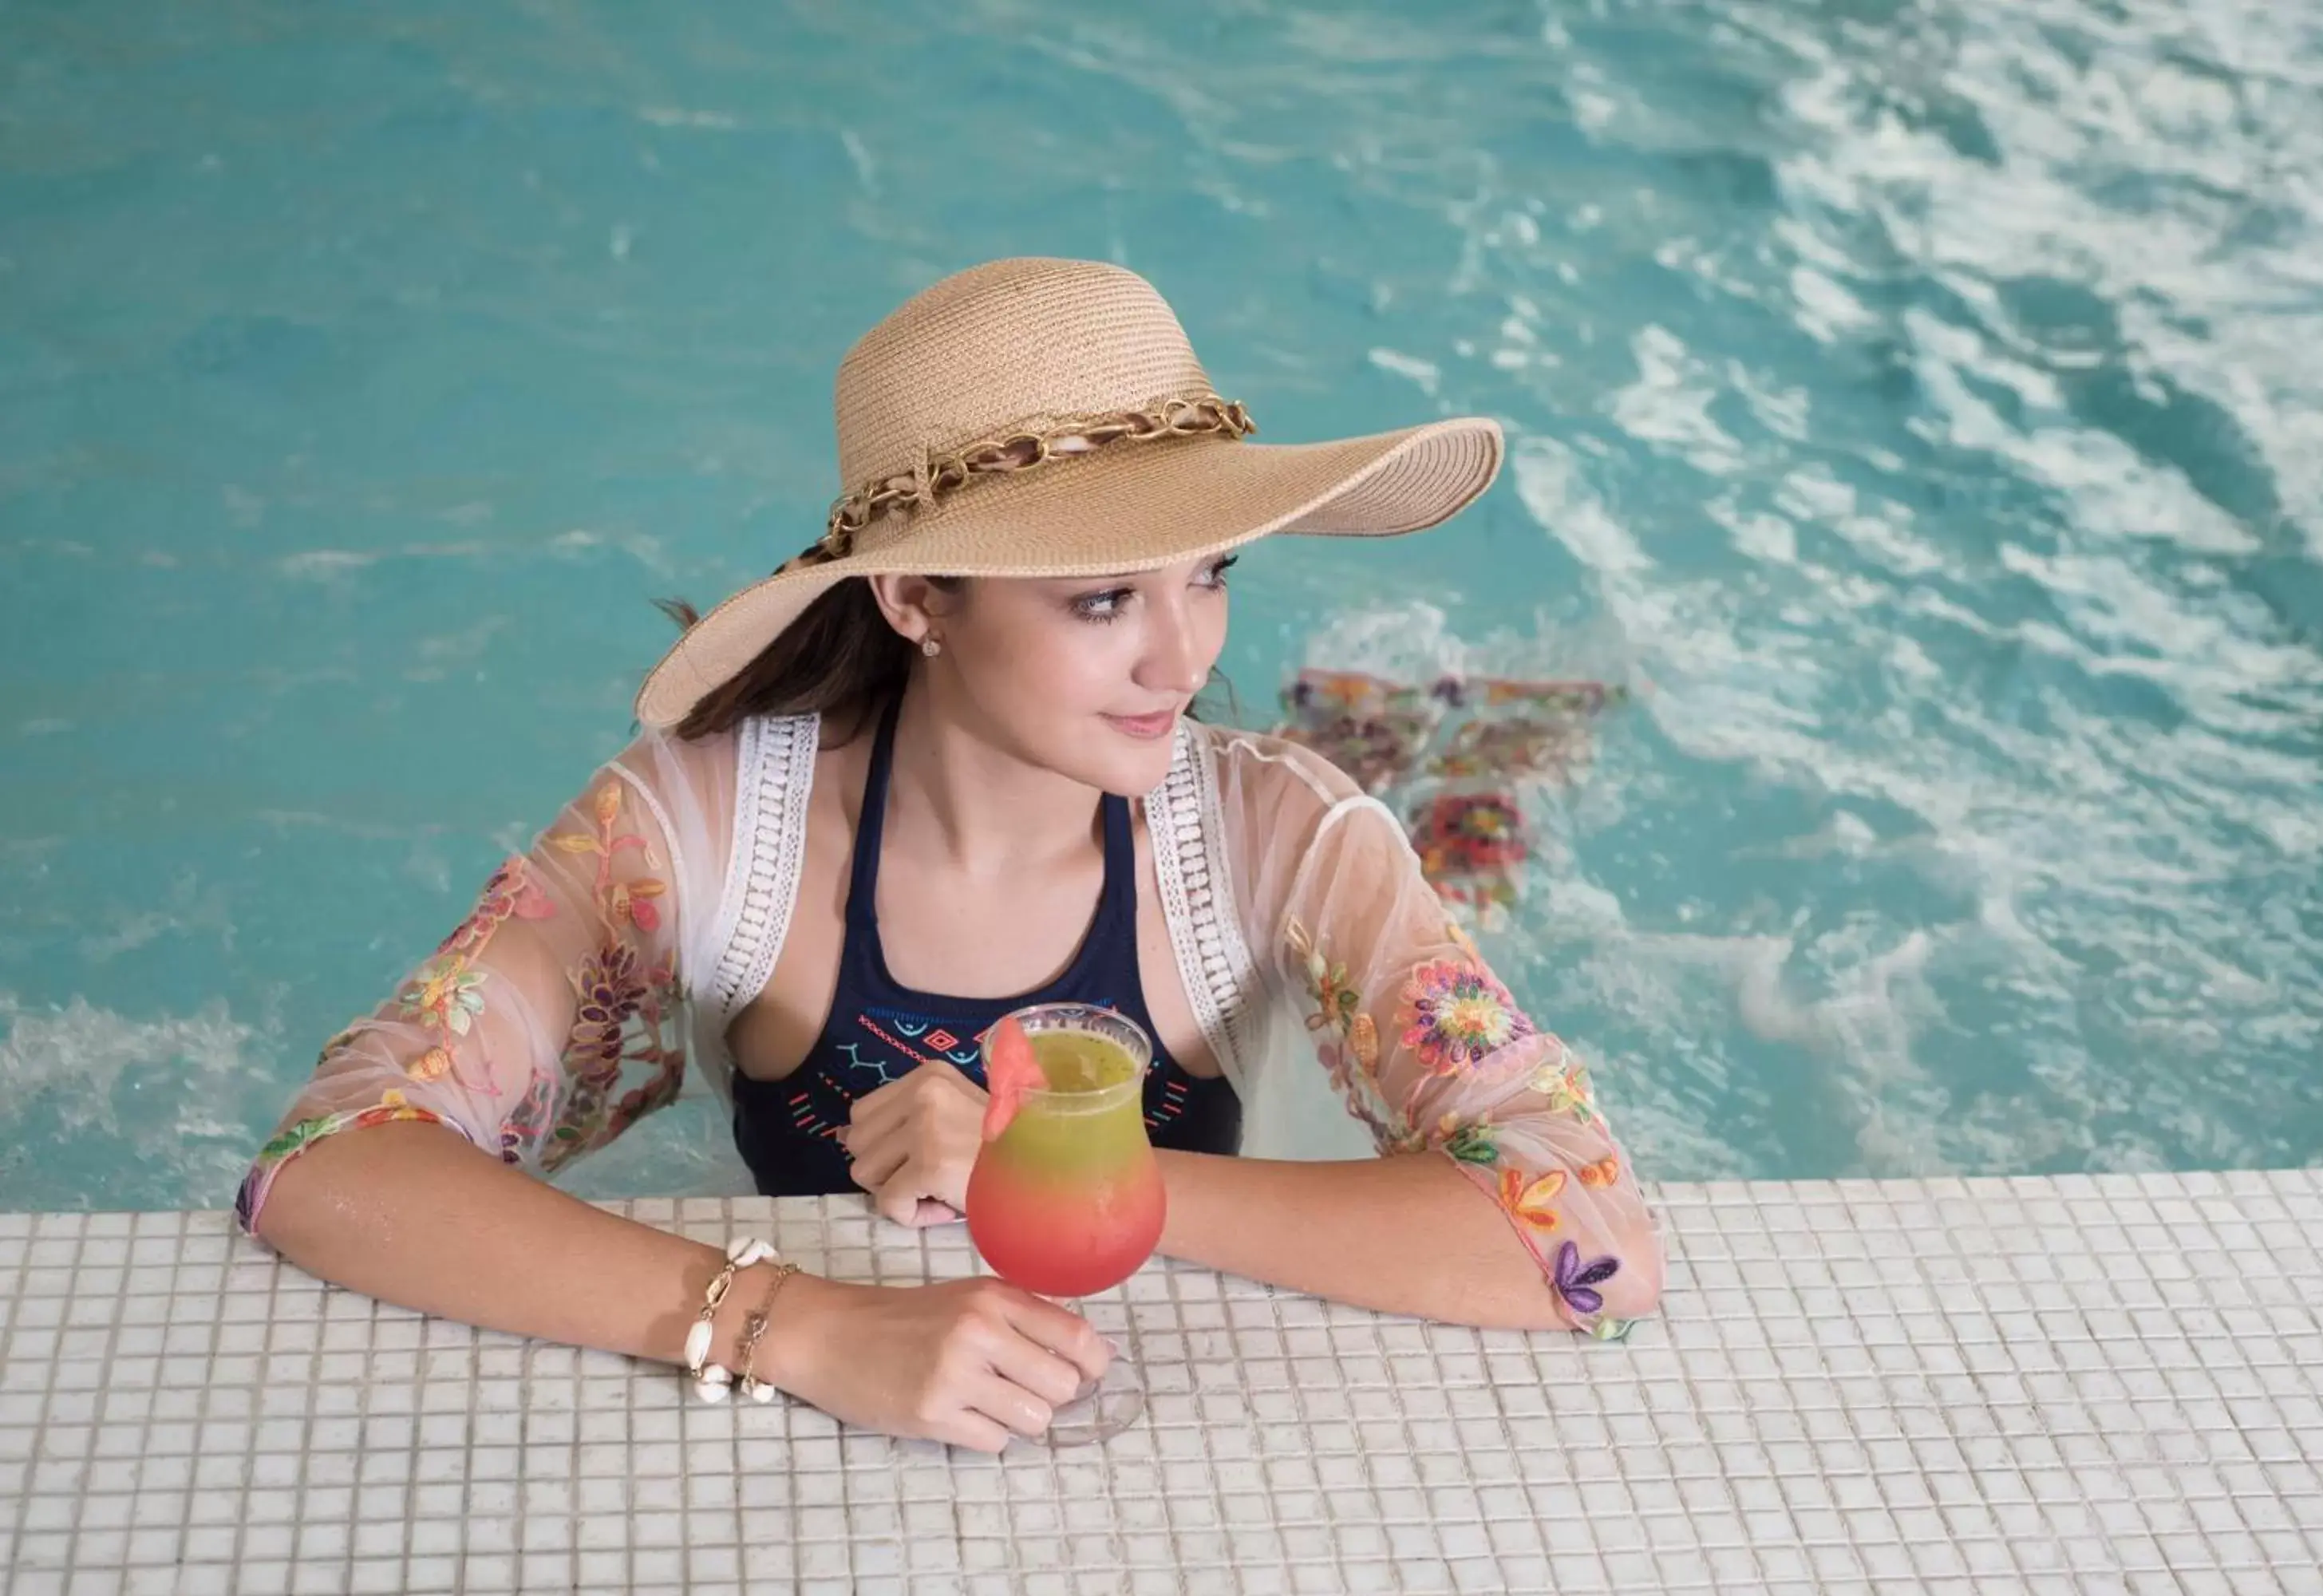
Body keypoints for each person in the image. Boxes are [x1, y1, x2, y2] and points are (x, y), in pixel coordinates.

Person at [236, 258, 1663, 1454]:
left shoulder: (1279, 831)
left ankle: (1465, 746)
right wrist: (800, 1326)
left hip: (1257, 908)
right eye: (1107, 595)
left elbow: (1590, 1228)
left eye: (1212, 570)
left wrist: (1073, 1172)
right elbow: (327, 1163)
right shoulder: (708, 825)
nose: (1186, 649)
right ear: (918, 596)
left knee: (1414, 819)